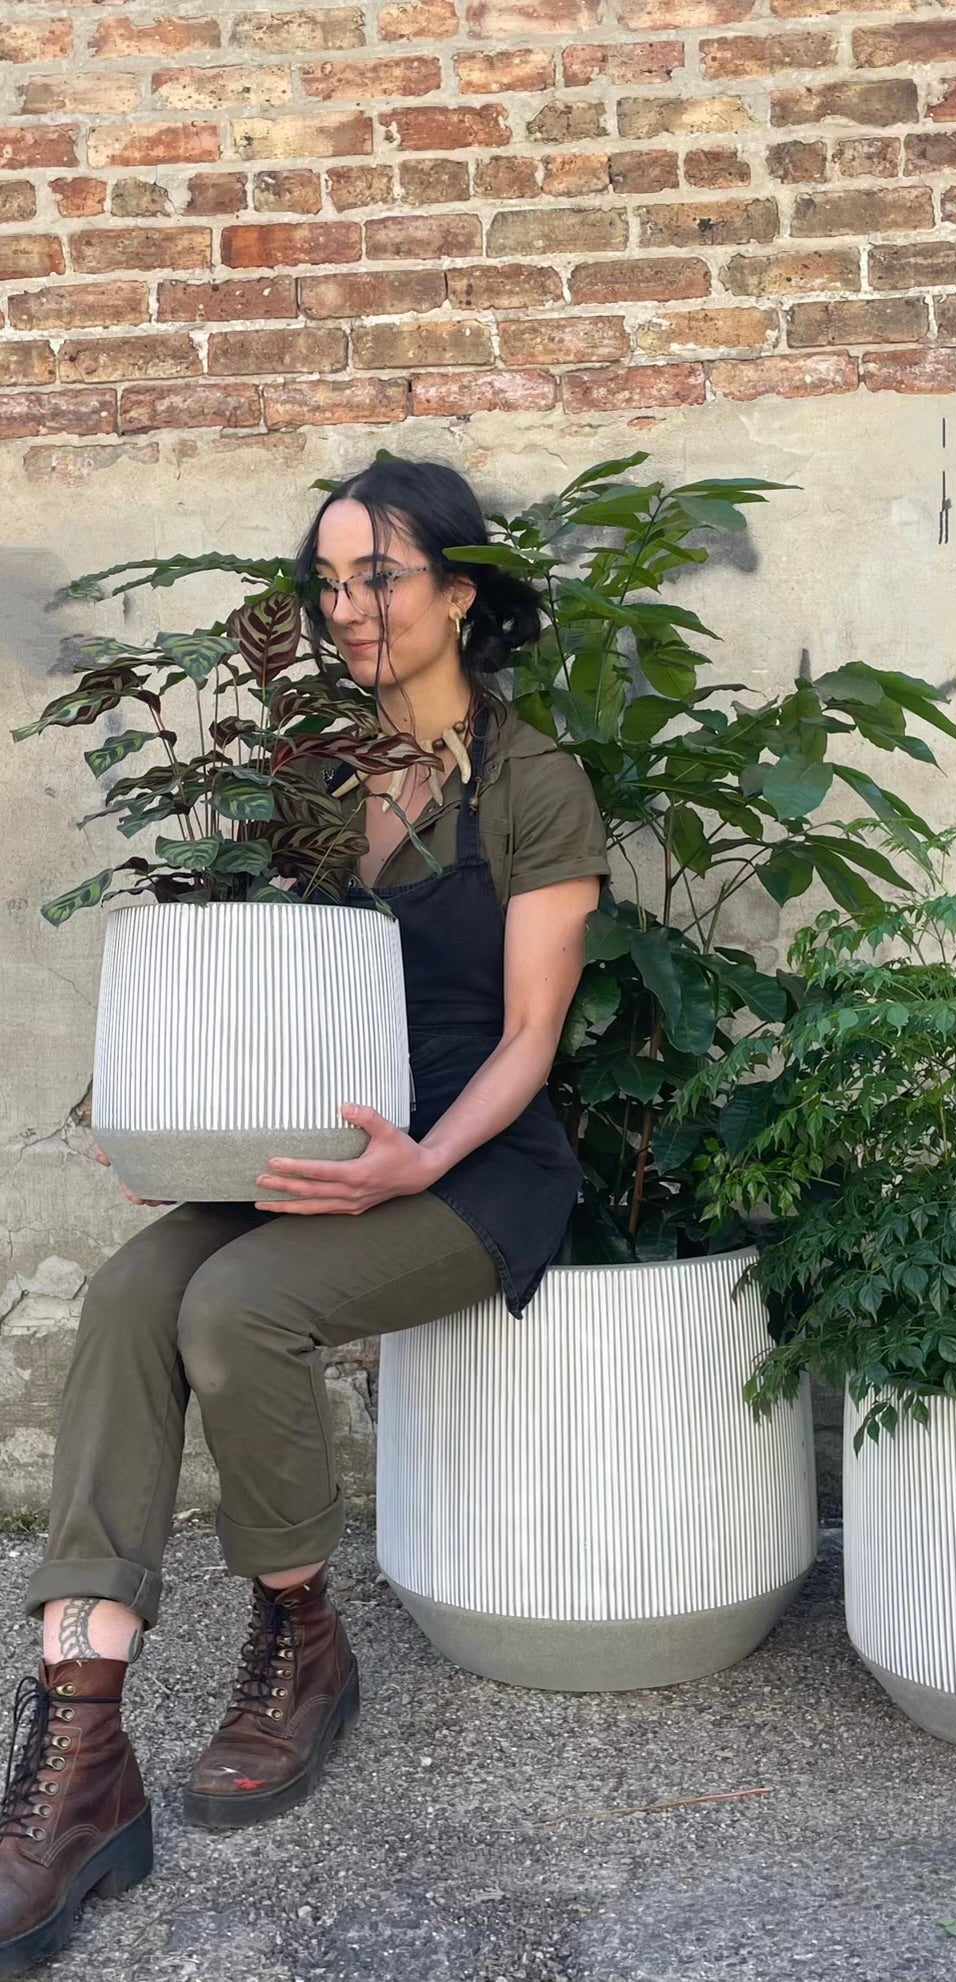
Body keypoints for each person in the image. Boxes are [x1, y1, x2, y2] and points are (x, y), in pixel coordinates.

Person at [0, 457, 611, 1973]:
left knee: (234, 1306)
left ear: (456, 593)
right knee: (133, 1292)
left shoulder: (531, 783)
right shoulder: (315, 777)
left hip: (474, 1168)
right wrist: (170, 1125)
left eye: (378, 577)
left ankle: (301, 1641)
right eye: (327, 584)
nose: (346, 608)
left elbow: (532, 1036)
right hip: (315, 1153)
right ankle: (79, 1748)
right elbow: (256, 997)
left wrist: (419, 1160)